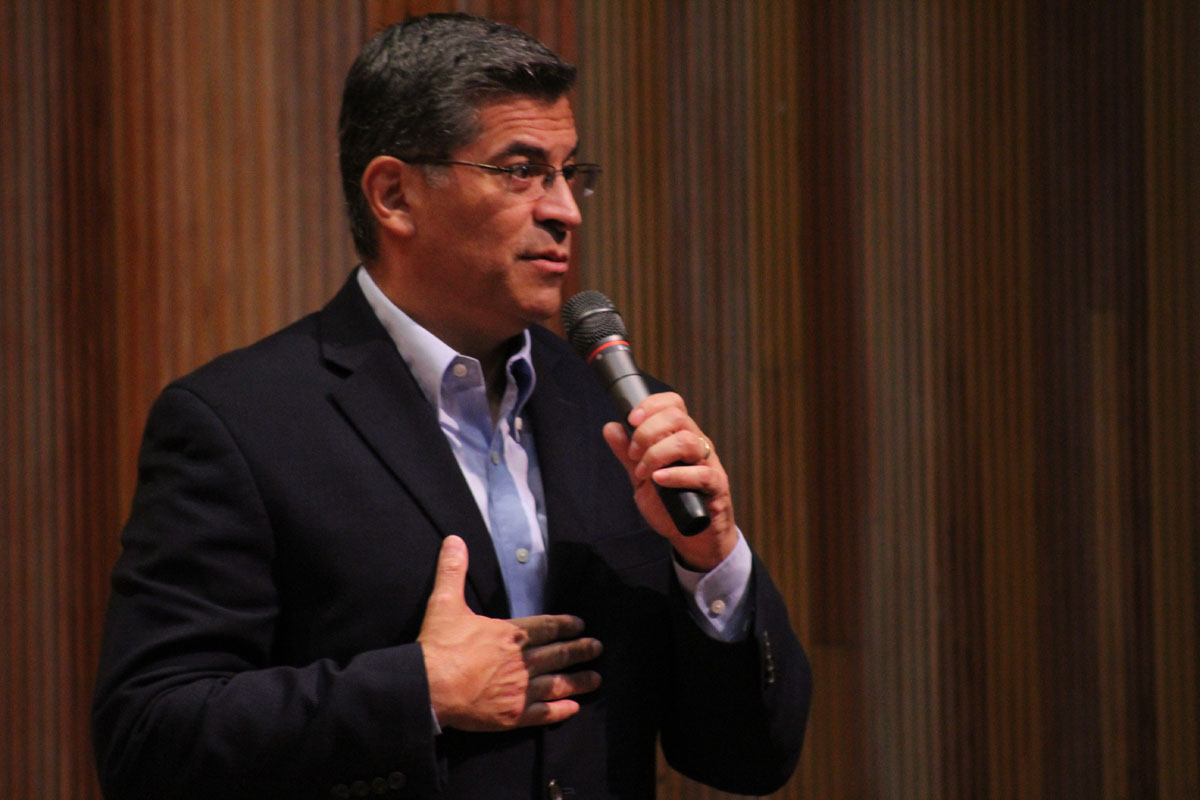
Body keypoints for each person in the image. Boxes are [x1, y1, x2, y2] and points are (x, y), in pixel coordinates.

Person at [92, 13, 811, 800]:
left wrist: (712, 564)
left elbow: (748, 757)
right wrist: (419, 690)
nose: (565, 209)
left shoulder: (608, 415)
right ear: (395, 194)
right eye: (521, 169)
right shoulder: (240, 423)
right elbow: (148, 738)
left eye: (572, 172)